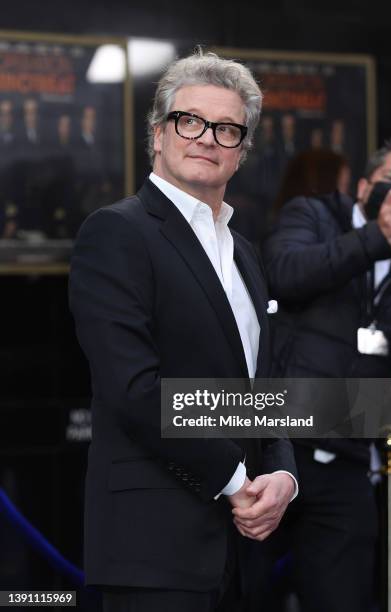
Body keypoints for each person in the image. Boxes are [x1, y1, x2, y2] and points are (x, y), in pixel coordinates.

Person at [69, 49, 298, 612]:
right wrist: (236, 477)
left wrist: (283, 477)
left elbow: (261, 389)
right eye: (189, 121)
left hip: (245, 548)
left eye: (226, 129)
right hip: (155, 543)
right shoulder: (116, 232)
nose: (206, 138)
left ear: (241, 153)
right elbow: (134, 389)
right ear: (158, 134)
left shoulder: (244, 252)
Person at [261, 136, 391, 612]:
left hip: (348, 457)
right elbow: (284, 273)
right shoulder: (314, 214)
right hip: (272, 445)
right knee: (243, 592)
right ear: (365, 185)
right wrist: (376, 237)